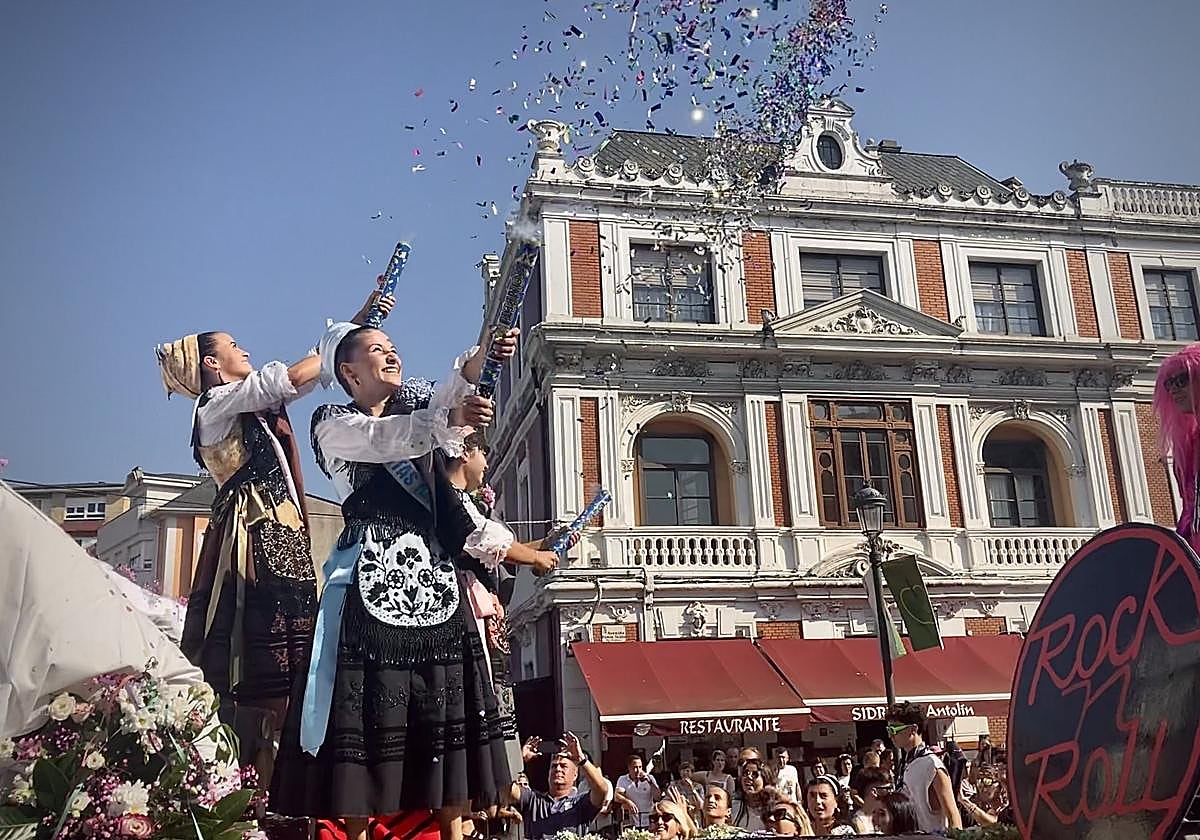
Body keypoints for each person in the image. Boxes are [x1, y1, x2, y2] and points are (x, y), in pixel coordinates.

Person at [269, 322, 515, 840]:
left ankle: (452, 829)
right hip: (369, 577)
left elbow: (454, 392)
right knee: (363, 710)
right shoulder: (333, 422)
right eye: (376, 349)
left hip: (433, 579)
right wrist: (449, 417)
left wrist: (481, 360)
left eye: (393, 346)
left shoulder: (417, 405)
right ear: (349, 372)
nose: (391, 353)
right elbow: (386, 440)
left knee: (442, 701)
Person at [157, 299, 382, 777]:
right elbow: (296, 377)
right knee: (260, 635)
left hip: (278, 531)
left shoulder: (241, 403)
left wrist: (358, 322)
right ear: (211, 364)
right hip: (255, 534)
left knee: (287, 640)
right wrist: (346, 335)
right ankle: (256, 759)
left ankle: (277, 755)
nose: (246, 351)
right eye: (234, 347)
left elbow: (305, 366)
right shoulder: (217, 403)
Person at [510, 734, 612, 840]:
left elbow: (601, 790)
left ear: (575, 775)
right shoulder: (533, 800)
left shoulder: (580, 803)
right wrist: (519, 760)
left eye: (563, 766)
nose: (558, 769)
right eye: (554, 766)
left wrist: (582, 760)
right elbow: (507, 790)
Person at [886, 702, 962, 833]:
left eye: (894, 730)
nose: (890, 735)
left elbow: (953, 816)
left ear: (913, 729)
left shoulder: (932, 764)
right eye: (888, 730)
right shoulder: (907, 762)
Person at [617, 754, 661, 829]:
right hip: (632, 820)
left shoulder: (650, 778)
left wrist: (650, 782)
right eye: (635, 767)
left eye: (640, 767)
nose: (638, 770)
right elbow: (617, 796)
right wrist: (628, 802)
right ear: (629, 768)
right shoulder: (623, 779)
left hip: (649, 819)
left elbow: (658, 797)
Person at [732, 756, 774, 832]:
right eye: (745, 773)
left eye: (755, 774)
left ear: (765, 780)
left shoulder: (775, 809)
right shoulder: (734, 807)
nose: (749, 777)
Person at [849, 766, 892, 834]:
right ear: (874, 792)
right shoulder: (856, 825)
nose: (891, 792)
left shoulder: (889, 817)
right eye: (887, 789)